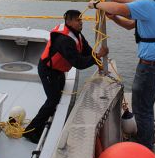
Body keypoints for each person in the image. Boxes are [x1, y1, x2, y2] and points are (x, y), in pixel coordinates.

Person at [88, 0, 155, 150]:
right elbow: (128, 25)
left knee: (142, 109)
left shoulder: (148, 5)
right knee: (146, 107)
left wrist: (95, 4)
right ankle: (150, 138)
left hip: (151, 66)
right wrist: (114, 18)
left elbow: (119, 8)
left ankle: (145, 146)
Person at [23, 9, 109, 143]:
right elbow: (79, 63)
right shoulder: (64, 40)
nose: (81, 22)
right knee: (53, 100)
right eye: (78, 20)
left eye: (81, 19)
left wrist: (98, 62)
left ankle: (51, 115)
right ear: (68, 21)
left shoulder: (77, 35)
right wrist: (98, 56)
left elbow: (87, 51)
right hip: (47, 70)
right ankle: (31, 131)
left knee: (58, 93)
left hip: (58, 70)